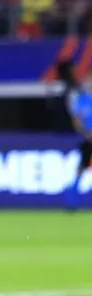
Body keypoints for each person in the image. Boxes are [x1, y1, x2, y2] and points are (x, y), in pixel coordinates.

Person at [64, 72, 92, 211]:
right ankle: (72, 198)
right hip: (88, 139)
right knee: (82, 168)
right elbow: (77, 120)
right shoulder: (82, 99)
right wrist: (86, 133)